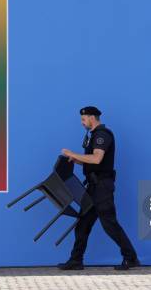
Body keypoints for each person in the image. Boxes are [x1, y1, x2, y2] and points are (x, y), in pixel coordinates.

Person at [59, 106, 140, 271]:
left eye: (83, 119)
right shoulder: (94, 135)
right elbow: (92, 162)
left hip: (102, 187)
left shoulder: (102, 135)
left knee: (109, 224)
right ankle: (76, 260)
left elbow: (96, 159)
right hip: (93, 187)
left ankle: (131, 258)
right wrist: (76, 160)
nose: (82, 123)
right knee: (82, 224)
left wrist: (74, 154)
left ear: (91, 118)